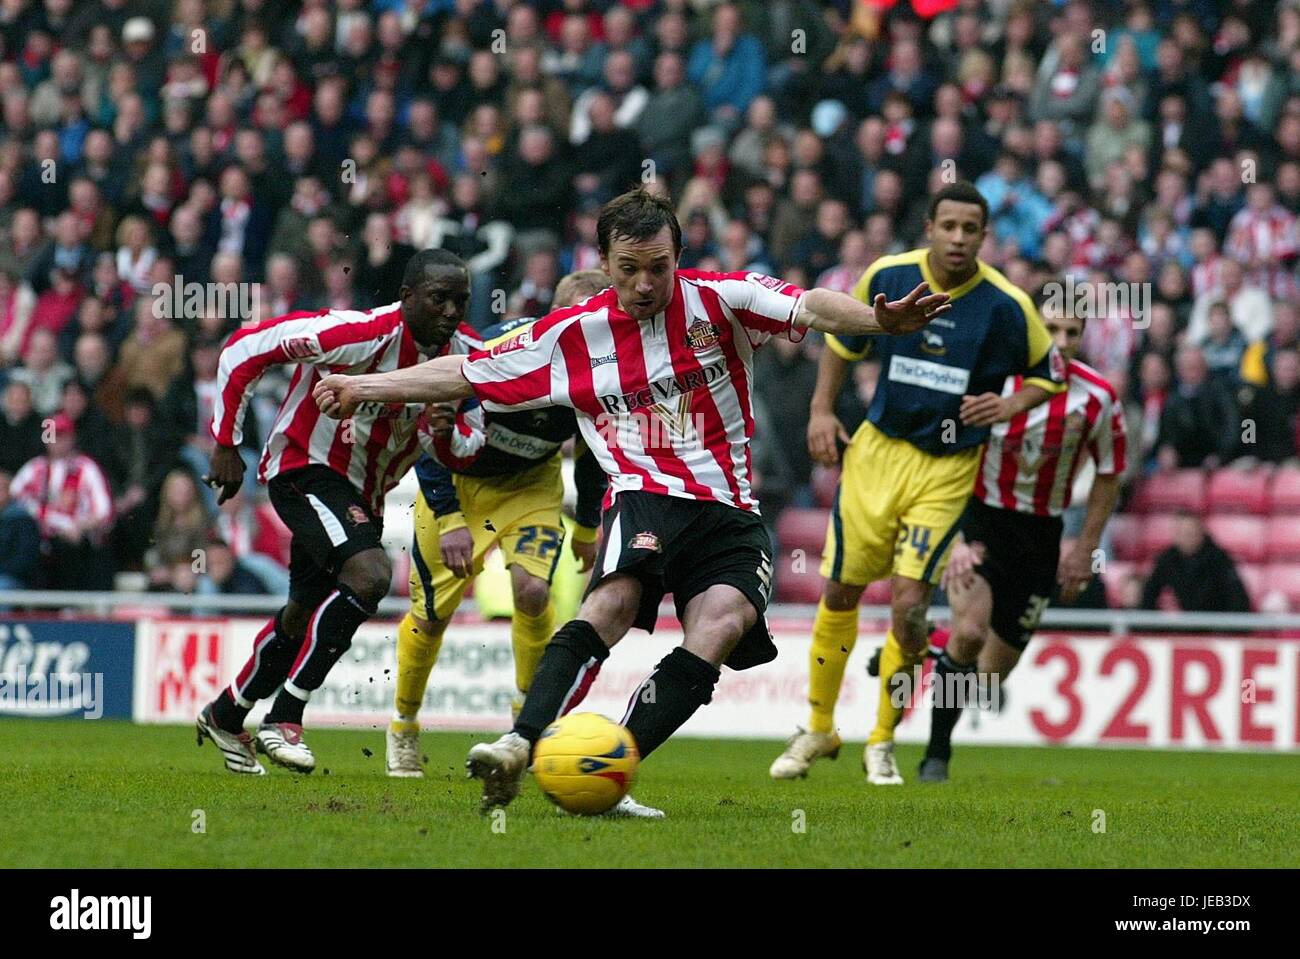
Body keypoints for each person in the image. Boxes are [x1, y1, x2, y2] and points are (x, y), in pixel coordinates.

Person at [313, 188, 951, 811]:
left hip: (729, 508)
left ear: (677, 255)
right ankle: (517, 741)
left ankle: (609, 767)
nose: (645, 283)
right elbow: (465, 372)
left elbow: (810, 306)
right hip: (642, 495)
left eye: (658, 267)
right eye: (628, 269)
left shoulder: (722, 301)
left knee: (724, 624)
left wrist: (877, 320)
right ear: (602, 264)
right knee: (612, 603)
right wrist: (365, 385)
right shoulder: (570, 336)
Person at [769, 181, 1066, 786]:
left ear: (985, 237)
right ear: (930, 227)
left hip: (948, 467)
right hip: (878, 454)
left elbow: (1049, 376)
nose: (959, 238)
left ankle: (881, 739)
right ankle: (819, 726)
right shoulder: (889, 273)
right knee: (842, 592)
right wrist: (822, 411)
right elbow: (840, 342)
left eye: (971, 230)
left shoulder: (1006, 305)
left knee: (909, 604)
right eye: (949, 226)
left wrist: (1010, 408)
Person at [194, 248, 475, 776]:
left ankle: (226, 713)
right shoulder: (354, 334)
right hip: (305, 468)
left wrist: (448, 434)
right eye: (438, 299)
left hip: (362, 497)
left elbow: (468, 445)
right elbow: (243, 348)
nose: (450, 312)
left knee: (301, 614)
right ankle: (285, 716)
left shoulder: (466, 360)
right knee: (370, 575)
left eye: (460, 300)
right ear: (407, 297)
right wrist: (226, 442)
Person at [386, 271, 619, 794]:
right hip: (459, 485)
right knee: (431, 615)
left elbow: (592, 452)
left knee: (533, 592)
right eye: (578, 318)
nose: (591, 329)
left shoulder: (606, 371)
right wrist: (447, 518)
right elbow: (431, 429)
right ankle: (403, 724)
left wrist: (586, 526)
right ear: (553, 317)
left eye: (600, 319)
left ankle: (523, 725)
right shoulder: (499, 351)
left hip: (531, 486)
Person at [919, 304, 1127, 782]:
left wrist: (1085, 547)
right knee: (969, 634)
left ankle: (924, 643)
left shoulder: (1097, 397)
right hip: (982, 522)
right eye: (1050, 327)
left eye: (1071, 331)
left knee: (989, 680)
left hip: (1041, 536)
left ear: (1082, 338)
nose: (1060, 339)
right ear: (1032, 329)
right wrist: (952, 535)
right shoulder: (994, 380)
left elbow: (1110, 474)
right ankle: (936, 758)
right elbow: (943, 450)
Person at [10, 413, 115, 590]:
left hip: (75, 541)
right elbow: (14, 495)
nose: (55, 442)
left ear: (71, 438)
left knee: (68, 548)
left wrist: (79, 526)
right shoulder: (36, 467)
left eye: (60, 436)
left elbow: (104, 511)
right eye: (50, 436)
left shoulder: (86, 467)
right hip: (40, 538)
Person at [1140, 513, 1251, 614]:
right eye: (1182, 533)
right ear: (1175, 535)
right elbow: (1149, 594)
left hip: (1217, 623)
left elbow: (1238, 597)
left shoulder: (1219, 558)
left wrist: (1228, 630)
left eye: (1191, 533)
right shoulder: (1167, 559)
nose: (1187, 537)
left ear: (1201, 533)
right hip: (1186, 623)